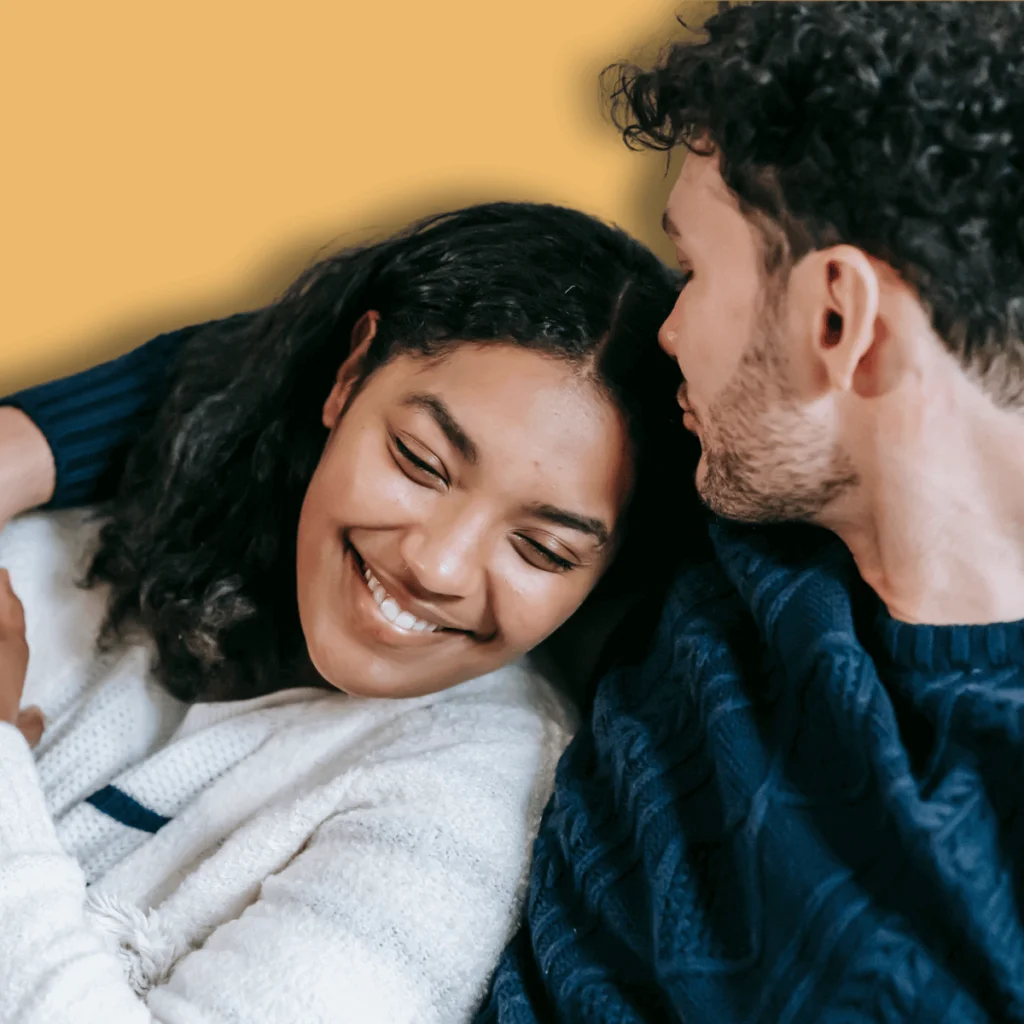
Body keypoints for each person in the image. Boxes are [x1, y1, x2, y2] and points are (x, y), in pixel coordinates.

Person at [0, 201, 697, 1022]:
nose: (436, 565)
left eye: (542, 550)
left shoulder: (468, 803)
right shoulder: (69, 552)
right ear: (348, 375)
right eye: (421, 461)